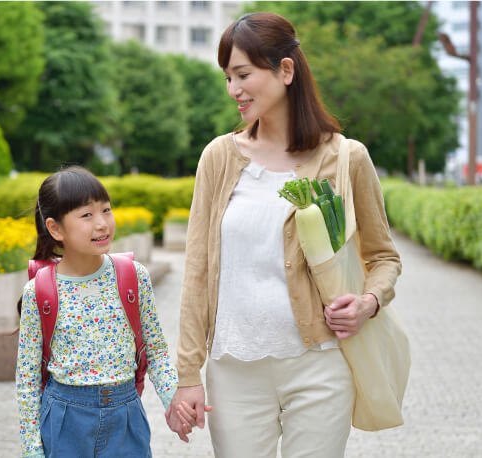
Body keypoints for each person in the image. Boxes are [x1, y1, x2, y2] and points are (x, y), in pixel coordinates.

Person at [165, 12, 402, 457]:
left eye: (243, 74)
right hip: (233, 372)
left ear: (285, 71)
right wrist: (188, 375)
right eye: (228, 78)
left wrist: (368, 303)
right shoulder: (219, 157)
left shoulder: (346, 158)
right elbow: (196, 272)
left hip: (320, 367)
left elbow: (385, 257)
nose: (233, 89)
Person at [15, 166, 179, 457]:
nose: (102, 223)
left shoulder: (132, 276)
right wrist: (32, 450)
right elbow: (27, 380)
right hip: (65, 420)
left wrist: (173, 400)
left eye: (106, 210)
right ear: (55, 228)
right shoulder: (39, 291)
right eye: (87, 215)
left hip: (126, 416)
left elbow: (156, 349)